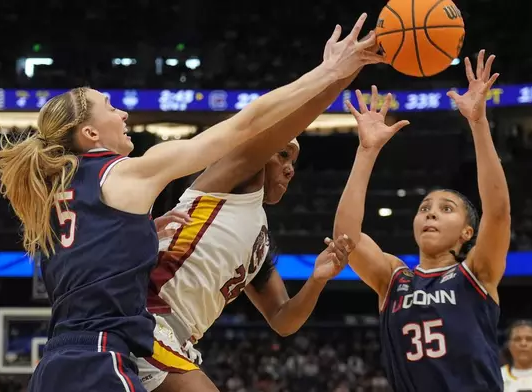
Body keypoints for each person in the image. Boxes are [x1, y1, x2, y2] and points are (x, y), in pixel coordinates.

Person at [0, 14, 382, 391]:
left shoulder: (66, 188)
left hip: (65, 354)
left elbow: (90, 253)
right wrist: (333, 71)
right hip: (120, 344)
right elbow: (249, 124)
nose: (124, 111)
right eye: (111, 107)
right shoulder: (126, 173)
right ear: (91, 132)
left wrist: (141, 231)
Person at [135, 17, 376, 392]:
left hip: (176, 342)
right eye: (282, 154)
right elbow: (280, 121)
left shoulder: (259, 238)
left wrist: (316, 280)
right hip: (145, 318)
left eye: (294, 161)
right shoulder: (230, 178)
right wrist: (340, 73)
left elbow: (282, 319)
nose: (289, 168)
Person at [333, 50, 510, 392]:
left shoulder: (476, 273)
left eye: (446, 208)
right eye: (425, 207)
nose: (430, 212)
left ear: (466, 232)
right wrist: (366, 152)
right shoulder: (394, 278)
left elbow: (499, 211)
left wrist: (479, 124)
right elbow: (345, 237)